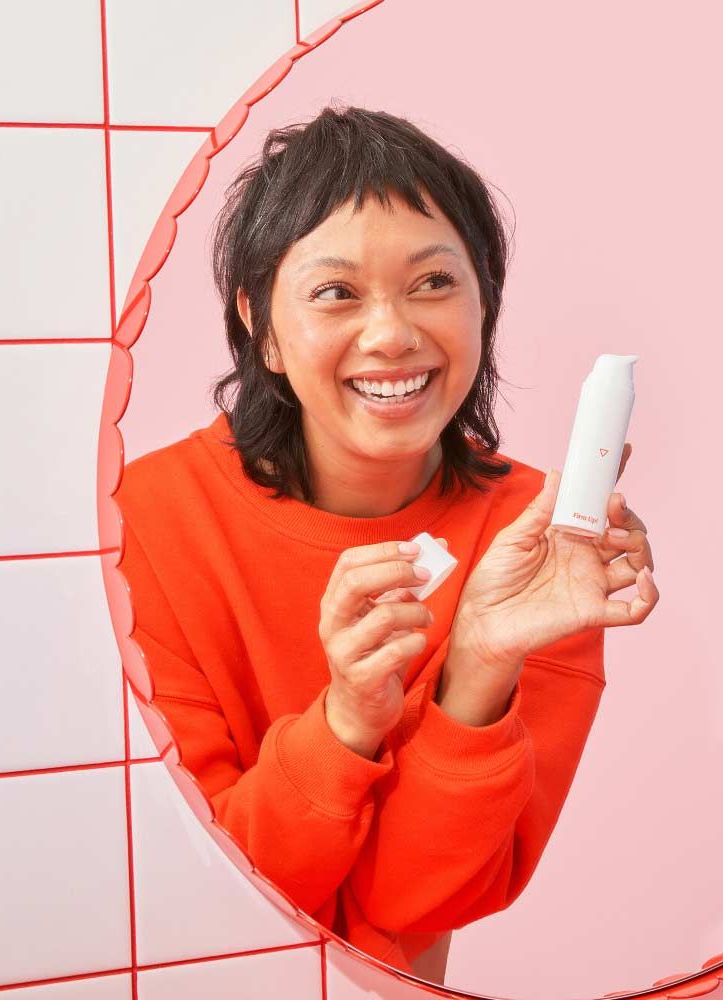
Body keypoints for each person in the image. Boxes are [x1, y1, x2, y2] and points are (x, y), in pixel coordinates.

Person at [116, 106, 659, 980]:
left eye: (434, 283)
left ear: (486, 298)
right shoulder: (146, 515)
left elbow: (422, 907)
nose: (392, 333)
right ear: (261, 326)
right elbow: (211, 892)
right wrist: (344, 724)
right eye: (336, 292)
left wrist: (480, 662)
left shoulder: (543, 544)